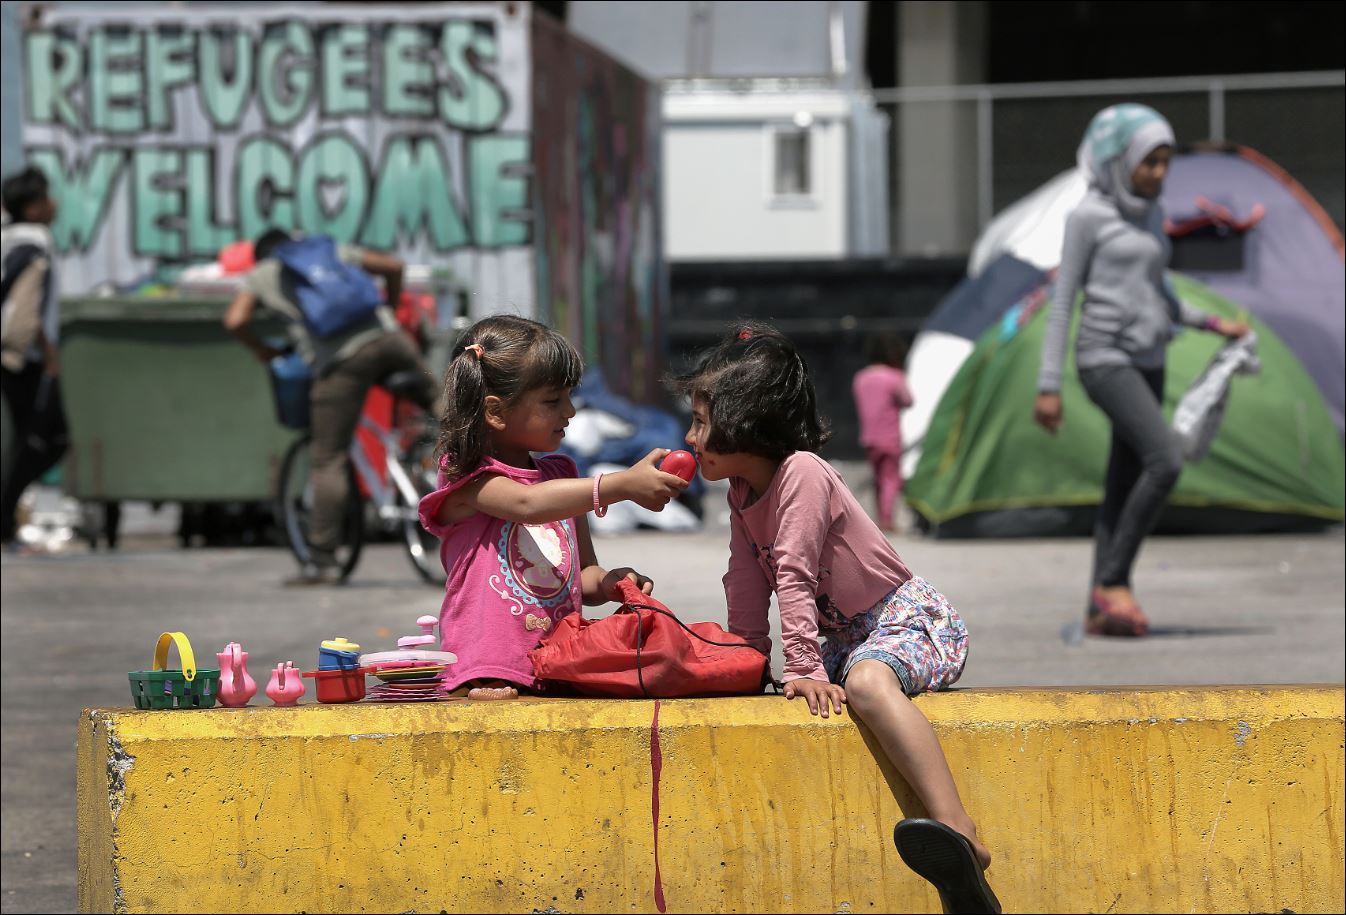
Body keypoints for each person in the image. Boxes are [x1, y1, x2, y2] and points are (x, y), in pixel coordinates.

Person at [673, 323, 1000, 914]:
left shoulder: (802, 472)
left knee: (869, 685)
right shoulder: (742, 490)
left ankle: (961, 836)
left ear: (745, 422)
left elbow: (792, 571)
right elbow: (745, 579)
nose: (691, 437)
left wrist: (800, 663)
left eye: (700, 422)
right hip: (843, 638)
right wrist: (747, 661)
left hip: (905, 619)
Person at [1033, 105, 1249, 637]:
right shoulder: (1086, 217)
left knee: (1123, 480)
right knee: (1166, 460)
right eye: (1148, 161)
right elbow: (1063, 301)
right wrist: (1048, 385)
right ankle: (1114, 582)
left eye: (1164, 162)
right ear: (1119, 160)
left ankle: (1098, 608)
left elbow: (1161, 293)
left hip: (1151, 358)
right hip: (1104, 358)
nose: (1157, 173)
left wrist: (1211, 323)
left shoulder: (1152, 214)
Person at [418, 315, 689, 701]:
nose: (571, 411)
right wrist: (621, 485)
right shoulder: (469, 477)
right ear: (495, 411)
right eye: (553, 401)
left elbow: (581, 576)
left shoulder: (561, 475)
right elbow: (526, 504)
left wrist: (611, 582)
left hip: (558, 665)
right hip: (488, 677)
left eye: (569, 396)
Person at [223, 228, 437, 583]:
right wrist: (391, 311)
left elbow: (235, 319)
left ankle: (322, 561)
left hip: (340, 362)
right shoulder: (328, 250)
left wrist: (261, 349)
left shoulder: (263, 274)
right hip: (390, 342)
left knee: (328, 458)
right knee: (449, 410)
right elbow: (393, 266)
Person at [1, 166, 68, 552]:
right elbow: (33, 305)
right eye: (46, 198)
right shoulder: (37, 241)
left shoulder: (8, 237)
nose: (54, 205)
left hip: (10, 353)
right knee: (47, 436)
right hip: (23, 355)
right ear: (32, 208)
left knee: (23, 439)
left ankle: (6, 516)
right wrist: (50, 354)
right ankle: (5, 515)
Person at [852, 333, 914, 532]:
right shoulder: (893, 377)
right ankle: (887, 520)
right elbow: (908, 400)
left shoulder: (861, 378)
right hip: (889, 437)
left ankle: (880, 517)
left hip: (869, 437)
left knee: (879, 479)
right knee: (891, 478)